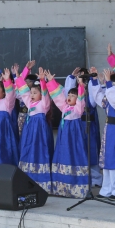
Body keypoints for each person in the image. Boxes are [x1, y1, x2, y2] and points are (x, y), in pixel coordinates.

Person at [46, 70, 89, 198]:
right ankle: (61, 188)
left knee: (74, 156)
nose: (69, 97)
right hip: (63, 138)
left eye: (72, 95)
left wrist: (80, 86)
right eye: (68, 95)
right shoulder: (64, 108)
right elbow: (58, 97)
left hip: (74, 138)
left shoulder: (78, 109)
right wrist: (51, 81)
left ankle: (77, 187)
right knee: (62, 156)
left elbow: (81, 101)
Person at [90, 68, 115, 201]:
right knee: (107, 159)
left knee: (114, 159)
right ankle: (106, 189)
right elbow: (98, 97)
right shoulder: (112, 94)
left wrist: (108, 82)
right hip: (109, 129)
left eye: (110, 83)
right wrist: (94, 80)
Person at [15, 68, 54, 193]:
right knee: (27, 151)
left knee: (40, 152)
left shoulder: (44, 104)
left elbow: (46, 94)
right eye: (31, 93)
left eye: (35, 93)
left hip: (39, 134)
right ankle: (27, 179)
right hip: (29, 132)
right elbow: (23, 92)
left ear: (41, 95)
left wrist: (42, 80)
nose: (31, 95)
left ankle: (41, 181)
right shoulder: (29, 104)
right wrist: (18, 76)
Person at [64, 67, 102, 187]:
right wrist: (72, 78)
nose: (82, 80)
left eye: (84, 78)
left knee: (91, 150)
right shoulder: (73, 93)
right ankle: (79, 176)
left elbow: (95, 96)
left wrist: (93, 79)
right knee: (78, 150)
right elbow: (67, 94)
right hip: (77, 125)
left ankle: (95, 179)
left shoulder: (90, 93)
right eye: (80, 77)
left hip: (89, 125)